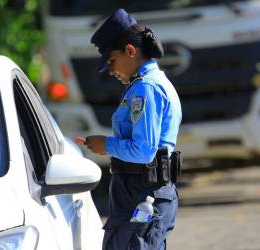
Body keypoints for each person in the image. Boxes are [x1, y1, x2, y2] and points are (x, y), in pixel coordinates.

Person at [80, 8, 182, 250]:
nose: (110, 70)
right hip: (142, 191)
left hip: (142, 191)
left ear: (131, 51)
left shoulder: (145, 88)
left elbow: (145, 150)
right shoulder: (149, 84)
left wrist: (106, 145)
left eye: (111, 61)